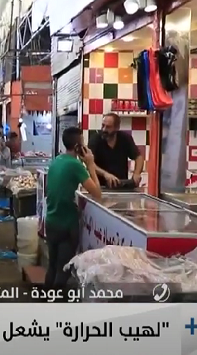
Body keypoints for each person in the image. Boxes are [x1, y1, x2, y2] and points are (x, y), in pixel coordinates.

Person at [44, 127, 102, 289]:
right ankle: (56, 302)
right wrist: (90, 164)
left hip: (51, 220)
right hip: (66, 224)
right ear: (78, 147)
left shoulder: (57, 160)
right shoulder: (75, 165)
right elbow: (97, 193)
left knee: (52, 265)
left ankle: (45, 298)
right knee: (63, 270)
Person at [88, 113, 145, 189]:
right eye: (103, 125)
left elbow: (139, 157)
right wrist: (105, 174)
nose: (104, 129)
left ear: (117, 128)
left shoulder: (125, 138)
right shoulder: (95, 140)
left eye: (108, 127)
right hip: (99, 186)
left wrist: (136, 173)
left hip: (121, 185)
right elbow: (90, 164)